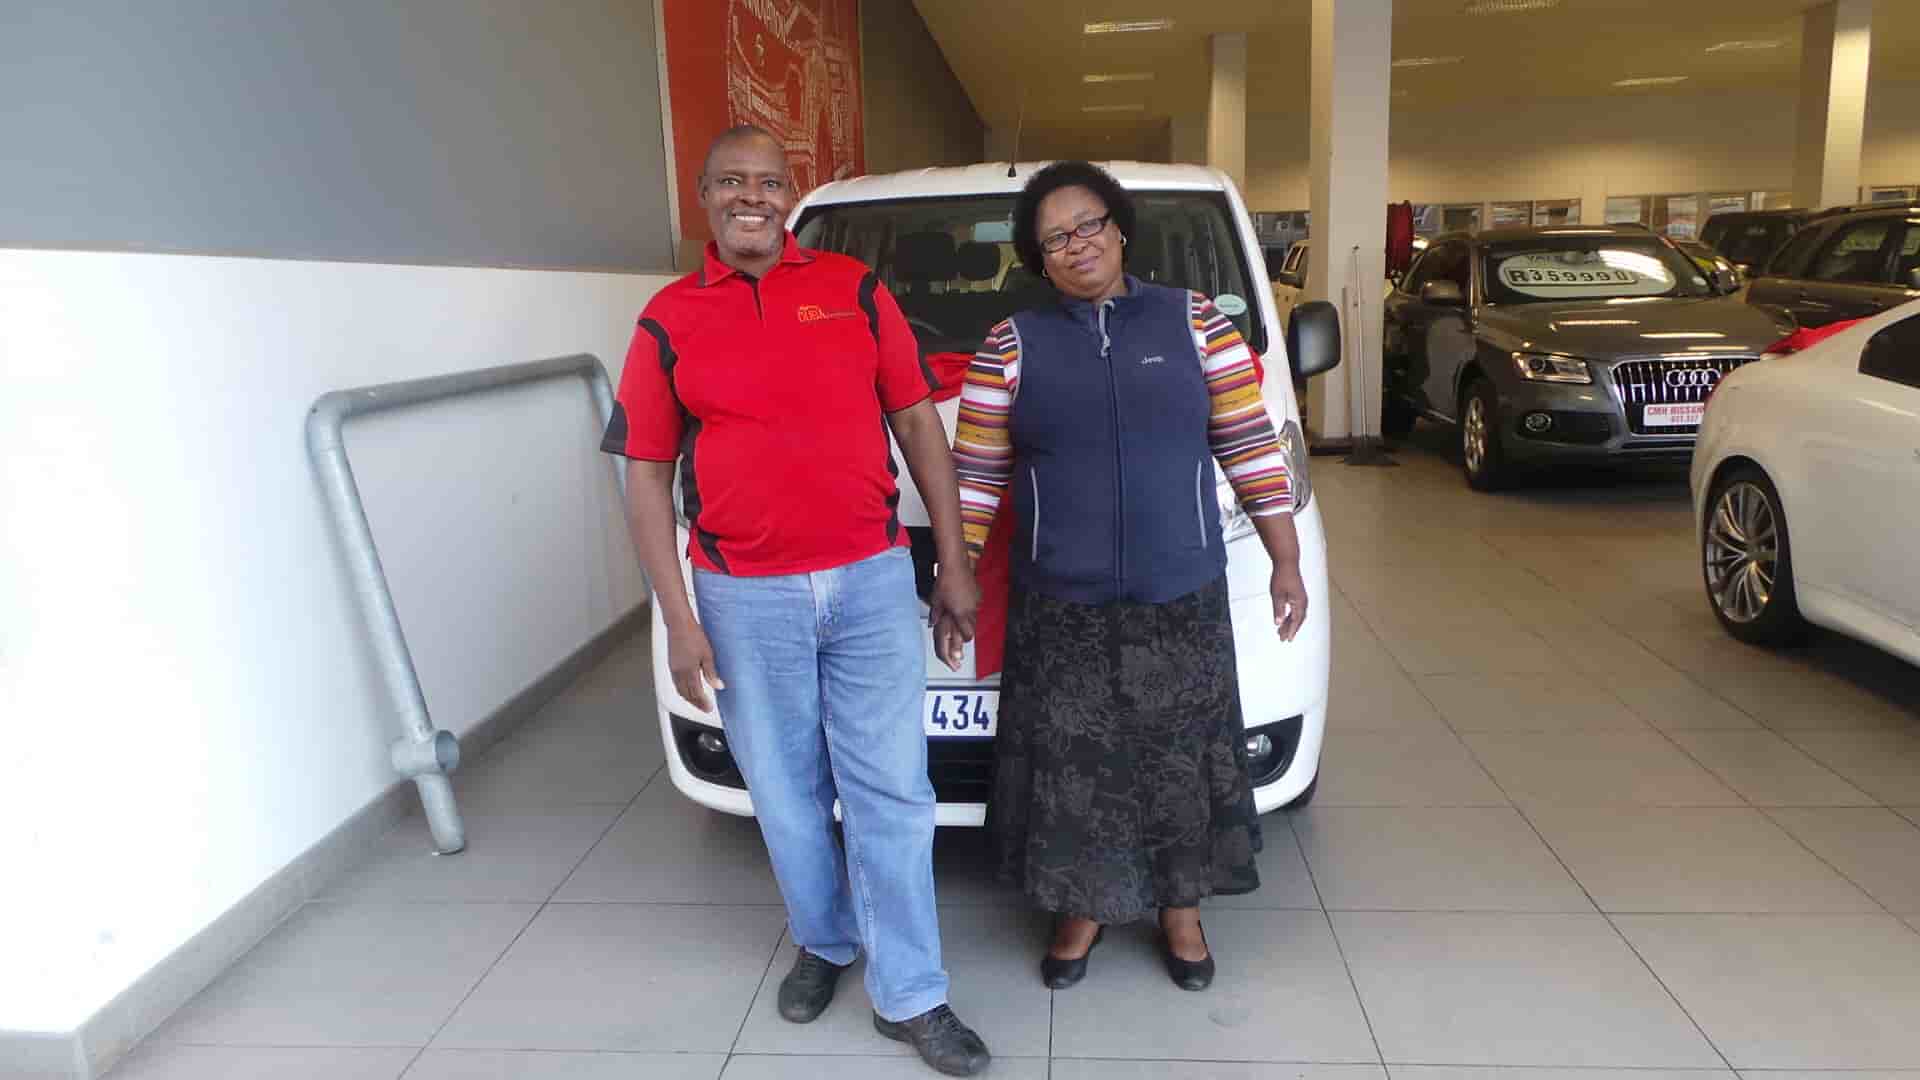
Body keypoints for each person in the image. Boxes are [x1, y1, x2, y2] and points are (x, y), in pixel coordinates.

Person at [602, 125, 990, 1077]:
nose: (753, 197)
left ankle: (911, 994)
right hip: (743, 597)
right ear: (704, 195)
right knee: (783, 792)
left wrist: (954, 561)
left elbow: (918, 425)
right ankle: (824, 941)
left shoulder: (853, 290)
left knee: (892, 790)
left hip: (868, 580)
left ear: (790, 194)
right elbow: (646, 474)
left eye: (770, 182)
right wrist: (679, 619)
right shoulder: (668, 318)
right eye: (732, 181)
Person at [952, 161, 1308, 992]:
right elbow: (975, 476)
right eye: (1054, 238)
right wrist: (959, 575)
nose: (1076, 245)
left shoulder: (1196, 323)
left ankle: (1181, 914)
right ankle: (1081, 913)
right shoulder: (1010, 344)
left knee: (1179, 758)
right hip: (1062, 602)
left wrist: (1285, 558)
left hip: (1180, 593)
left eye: (1088, 224)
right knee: (1079, 768)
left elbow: (1249, 445)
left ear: (1118, 228)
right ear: (1038, 260)